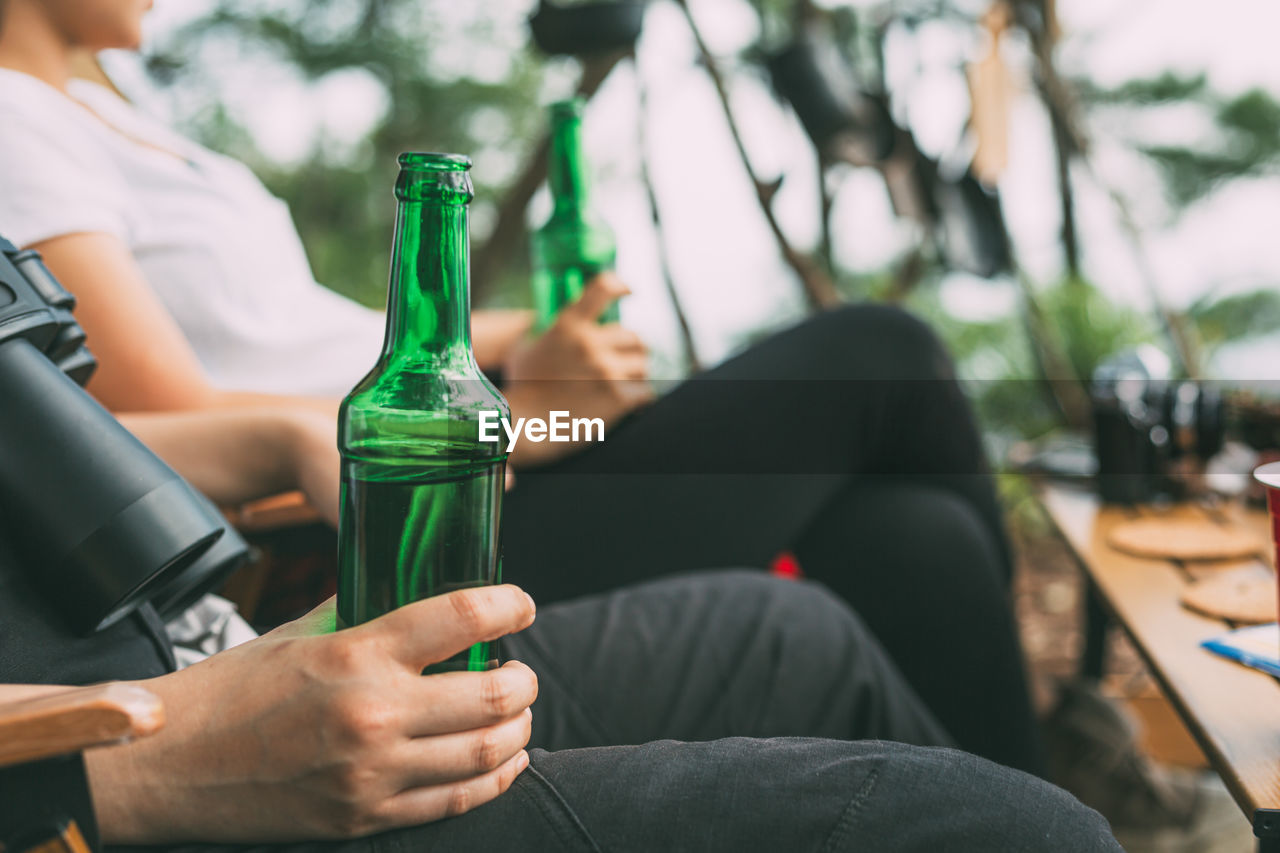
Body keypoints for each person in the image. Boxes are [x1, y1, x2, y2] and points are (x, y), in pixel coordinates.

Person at [0, 0, 1040, 774]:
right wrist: (516, 414)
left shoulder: (105, 112)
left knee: (905, 530)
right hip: (391, 519)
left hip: (465, 440)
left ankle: (1032, 801)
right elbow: (137, 430)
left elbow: (342, 335)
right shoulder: (13, 118)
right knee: (875, 352)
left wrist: (536, 344)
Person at [0, 410, 1122, 852]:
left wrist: (284, 433)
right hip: (92, 773)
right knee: (1013, 832)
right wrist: (131, 767)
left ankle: (1060, 735)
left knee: (812, 611)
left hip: (197, 640)